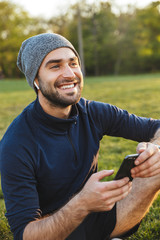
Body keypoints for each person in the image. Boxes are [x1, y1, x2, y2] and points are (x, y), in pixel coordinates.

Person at [0, 33, 160, 240]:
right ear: (36, 80)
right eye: (55, 66)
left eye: (73, 63)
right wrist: (82, 203)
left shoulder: (93, 112)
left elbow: (156, 127)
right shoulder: (16, 145)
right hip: (55, 230)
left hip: (100, 216)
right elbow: (25, 234)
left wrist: (155, 148)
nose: (69, 74)